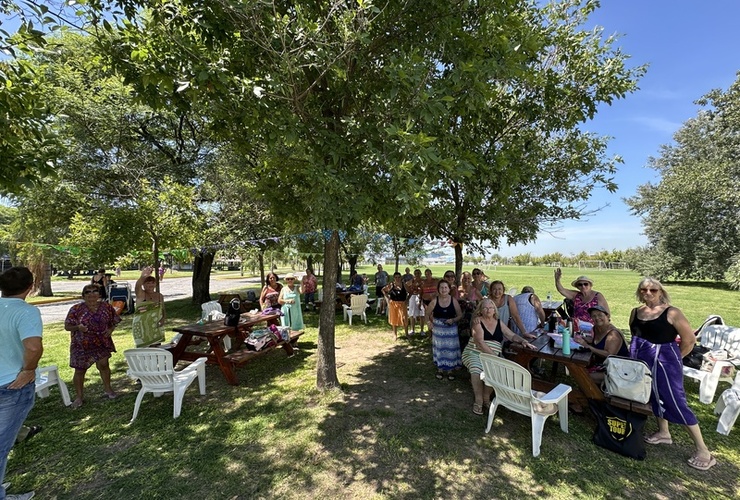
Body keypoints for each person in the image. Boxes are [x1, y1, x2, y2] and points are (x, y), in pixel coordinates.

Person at [629, 277, 715, 471]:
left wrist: (672, 361)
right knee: (653, 395)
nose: (648, 293)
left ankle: (704, 451)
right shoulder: (636, 312)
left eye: (653, 289)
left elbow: (689, 340)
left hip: (665, 362)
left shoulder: (672, 312)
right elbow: (635, 336)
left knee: (675, 400)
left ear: (661, 291)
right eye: (644, 290)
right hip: (642, 361)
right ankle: (664, 432)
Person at [0, 267, 43, 500]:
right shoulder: (26, 312)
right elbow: (33, 347)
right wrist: (28, 369)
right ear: (30, 287)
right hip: (11, 386)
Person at [462, 298, 536, 415]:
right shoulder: (477, 322)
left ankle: (486, 396)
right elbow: (480, 343)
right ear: (480, 310)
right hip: (475, 352)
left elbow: (511, 335)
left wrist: (522, 341)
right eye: (485, 308)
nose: (488, 310)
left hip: (491, 355)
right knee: (476, 369)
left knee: (495, 371)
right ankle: (478, 399)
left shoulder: (498, 322)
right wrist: (495, 358)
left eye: (491, 308)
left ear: (494, 310)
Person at [65, 284, 121, 407]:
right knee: (80, 370)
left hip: (102, 341)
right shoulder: (76, 309)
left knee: (104, 365)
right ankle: (79, 397)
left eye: (95, 291)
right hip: (81, 344)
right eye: (88, 292)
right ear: (83, 295)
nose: (91, 294)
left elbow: (114, 321)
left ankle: (108, 389)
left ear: (99, 294)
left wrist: (111, 329)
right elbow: (67, 326)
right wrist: (78, 327)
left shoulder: (107, 307)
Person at [574, 305, 628, 385]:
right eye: (594, 316)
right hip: (604, 366)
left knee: (584, 377)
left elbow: (609, 354)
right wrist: (586, 339)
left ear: (607, 316)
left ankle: (596, 396)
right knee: (578, 370)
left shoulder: (613, 334)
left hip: (618, 370)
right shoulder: (596, 328)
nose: (597, 318)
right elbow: (599, 342)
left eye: (600, 315)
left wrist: (588, 346)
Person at [425, 280, 463, 381]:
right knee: (440, 349)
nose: (444, 290)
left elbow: (460, 315)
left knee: (451, 349)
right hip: (438, 330)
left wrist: (453, 320)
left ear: (449, 289)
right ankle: (440, 369)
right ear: (438, 290)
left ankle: (450, 370)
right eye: (441, 288)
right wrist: (429, 323)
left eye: (446, 287)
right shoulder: (434, 301)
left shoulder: (454, 300)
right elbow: (427, 314)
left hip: (451, 330)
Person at [132, 268, 166, 347]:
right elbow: (137, 286)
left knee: (157, 349)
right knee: (145, 350)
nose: (150, 285)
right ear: (143, 285)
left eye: (152, 283)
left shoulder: (159, 296)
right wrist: (142, 277)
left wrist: (163, 318)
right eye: (147, 283)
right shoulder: (141, 294)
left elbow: (163, 309)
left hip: (156, 326)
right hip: (142, 327)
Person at [383, 272, 409, 339]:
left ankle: (407, 334)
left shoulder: (404, 285)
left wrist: (407, 300)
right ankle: (395, 335)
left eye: (399, 277)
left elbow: (410, 292)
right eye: (396, 277)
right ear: (394, 278)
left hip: (402, 303)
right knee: (394, 318)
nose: (397, 279)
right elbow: (383, 290)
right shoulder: (391, 285)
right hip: (393, 304)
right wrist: (388, 298)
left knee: (404, 318)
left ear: (401, 277)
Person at [407, 269, 425, 335]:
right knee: (412, 313)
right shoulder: (412, 281)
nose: (417, 275)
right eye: (416, 273)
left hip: (421, 297)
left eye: (418, 273)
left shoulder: (423, 281)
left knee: (422, 313)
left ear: (420, 274)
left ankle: (422, 330)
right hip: (412, 296)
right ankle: (412, 330)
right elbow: (406, 285)